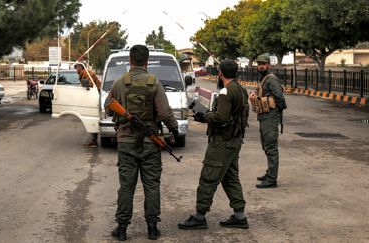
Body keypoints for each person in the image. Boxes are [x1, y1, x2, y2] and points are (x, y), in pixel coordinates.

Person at [105, 45, 179, 241]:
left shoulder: (120, 83)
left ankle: (121, 229)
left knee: (126, 186)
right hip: (150, 143)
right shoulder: (154, 83)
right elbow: (164, 113)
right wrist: (174, 129)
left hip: (126, 142)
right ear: (147, 61)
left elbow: (108, 108)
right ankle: (152, 228)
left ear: (130, 60)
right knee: (152, 185)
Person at [178, 60, 249, 230]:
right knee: (230, 178)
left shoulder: (226, 92)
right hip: (234, 141)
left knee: (208, 177)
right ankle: (239, 216)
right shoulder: (241, 89)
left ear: (220, 74)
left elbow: (221, 118)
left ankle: (199, 217)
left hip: (222, 142)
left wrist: (205, 117)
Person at [249, 53, 287, 189]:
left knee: (271, 148)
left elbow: (280, 98)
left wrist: (276, 112)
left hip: (270, 117)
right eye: (259, 64)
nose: (261, 66)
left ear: (268, 65)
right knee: (266, 146)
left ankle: (272, 179)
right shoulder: (263, 78)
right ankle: (270, 172)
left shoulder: (271, 79)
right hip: (264, 117)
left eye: (263, 64)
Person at [75, 62, 102, 148]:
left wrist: (83, 84)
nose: (76, 70)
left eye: (77, 67)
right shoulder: (84, 73)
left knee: (92, 117)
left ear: (81, 67)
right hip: (95, 95)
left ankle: (94, 141)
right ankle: (93, 140)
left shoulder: (87, 73)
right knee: (92, 117)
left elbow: (90, 84)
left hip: (96, 96)